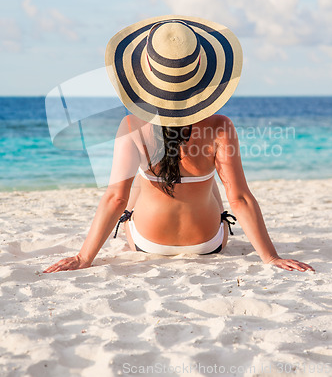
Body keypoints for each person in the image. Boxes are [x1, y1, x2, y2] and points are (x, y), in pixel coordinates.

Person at [44, 16, 314, 273]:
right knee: (215, 185)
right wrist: (270, 257)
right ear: (201, 72)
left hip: (147, 242)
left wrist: (84, 257)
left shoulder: (132, 126)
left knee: (138, 181)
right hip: (208, 243)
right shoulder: (220, 126)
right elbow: (239, 198)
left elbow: (115, 199)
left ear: (147, 73)